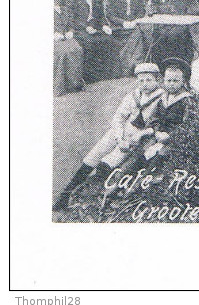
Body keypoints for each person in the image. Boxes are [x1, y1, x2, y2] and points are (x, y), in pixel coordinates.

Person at [52, 62, 165, 211]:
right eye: (141, 80)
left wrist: (137, 136)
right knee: (92, 157)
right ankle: (65, 196)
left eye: (149, 80)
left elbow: (157, 125)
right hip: (120, 131)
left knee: (109, 163)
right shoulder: (133, 95)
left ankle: (90, 196)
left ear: (157, 80)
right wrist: (119, 137)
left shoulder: (161, 98)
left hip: (138, 137)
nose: (144, 84)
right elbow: (119, 118)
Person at [67, 0, 111, 84]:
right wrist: (86, 27)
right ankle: (89, 76)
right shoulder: (74, 0)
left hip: (95, 28)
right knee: (88, 43)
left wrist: (104, 25)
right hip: (80, 30)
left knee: (107, 40)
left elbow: (101, 16)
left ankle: (103, 73)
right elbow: (72, 19)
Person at [103, 0, 147, 77]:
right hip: (119, 28)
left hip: (135, 25)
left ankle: (131, 65)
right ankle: (135, 65)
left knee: (139, 32)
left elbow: (142, 11)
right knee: (139, 34)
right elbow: (110, 15)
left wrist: (135, 21)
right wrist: (123, 23)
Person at [54, 0, 84, 96]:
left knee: (76, 49)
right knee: (63, 52)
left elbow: (71, 24)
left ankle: (75, 83)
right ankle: (61, 85)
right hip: (54, 41)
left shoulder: (65, 9)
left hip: (65, 38)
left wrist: (70, 31)